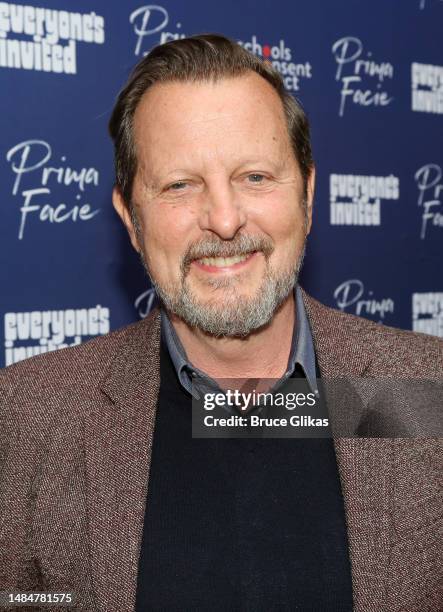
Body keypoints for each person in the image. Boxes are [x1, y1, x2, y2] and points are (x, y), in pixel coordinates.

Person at [0, 34, 441, 612]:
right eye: (179, 185)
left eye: (255, 177)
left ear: (308, 194)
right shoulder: (27, 414)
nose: (226, 220)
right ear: (130, 217)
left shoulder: (424, 389)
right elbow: (24, 599)